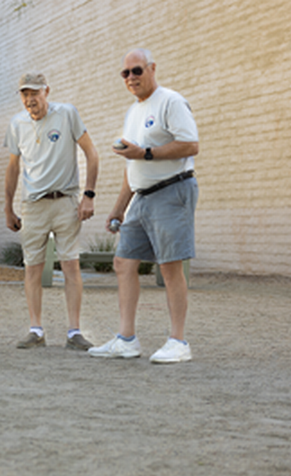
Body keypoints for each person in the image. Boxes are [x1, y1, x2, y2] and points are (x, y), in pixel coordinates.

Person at [88, 49, 199, 364]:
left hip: (172, 190)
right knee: (123, 262)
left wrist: (145, 153)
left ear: (152, 68)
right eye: (125, 73)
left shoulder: (171, 101)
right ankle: (126, 339)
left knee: (170, 266)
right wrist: (119, 206)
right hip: (142, 197)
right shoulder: (133, 112)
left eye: (136, 71)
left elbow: (191, 145)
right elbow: (131, 162)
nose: (131, 78)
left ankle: (179, 341)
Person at [4, 73, 99, 350]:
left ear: (47, 91)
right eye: (24, 94)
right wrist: (8, 207)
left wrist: (88, 196)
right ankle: (36, 330)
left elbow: (92, 153)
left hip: (66, 202)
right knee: (32, 268)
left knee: (71, 265)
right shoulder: (16, 124)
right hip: (33, 206)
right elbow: (12, 168)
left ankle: (74, 332)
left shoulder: (67, 114)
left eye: (35, 93)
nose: (30, 99)